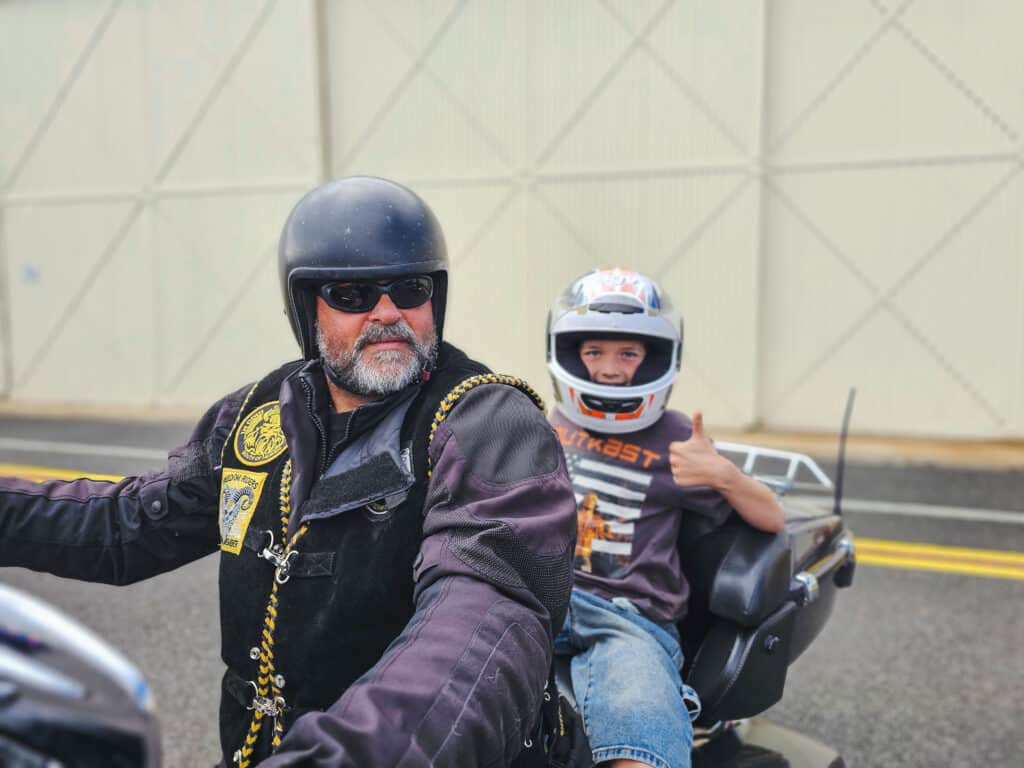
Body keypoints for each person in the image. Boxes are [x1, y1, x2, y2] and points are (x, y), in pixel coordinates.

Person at [0, 176, 578, 767]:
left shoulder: (489, 423)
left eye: (410, 289)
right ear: (306, 306)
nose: (387, 313)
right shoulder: (258, 412)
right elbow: (129, 524)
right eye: (352, 295)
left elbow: (478, 623)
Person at [545, 268, 785, 768]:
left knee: (640, 721)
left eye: (628, 354)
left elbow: (771, 518)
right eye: (594, 352)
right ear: (569, 354)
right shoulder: (554, 421)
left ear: (655, 358)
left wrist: (722, 475)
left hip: (629, 616)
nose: (610, 370)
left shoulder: (676, 437)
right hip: (544, 596)